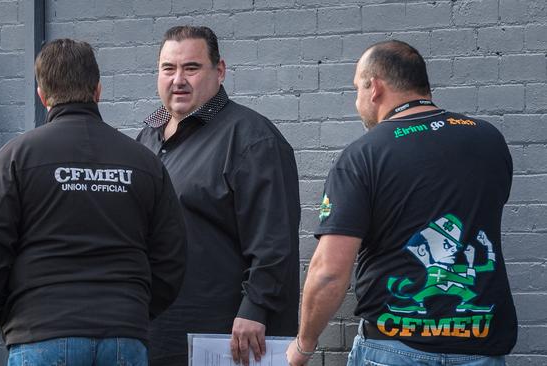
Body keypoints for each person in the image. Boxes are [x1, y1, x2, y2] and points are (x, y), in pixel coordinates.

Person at [286, 40, 517, 366]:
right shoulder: (488, 139)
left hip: (394, 348)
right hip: (481, 344)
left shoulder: (364, 155)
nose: (357, 101)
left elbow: (329, 272)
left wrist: (304, 345)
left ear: (375, 87)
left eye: (357, 89)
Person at [0, 38, 187, 366]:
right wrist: (133, 309)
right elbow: (172, 255)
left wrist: (8, 313)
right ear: (98, 89)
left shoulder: (15, 157)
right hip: (123, 336)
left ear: (42, 95)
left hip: (40, 331)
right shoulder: (145, 163)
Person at [137, 25, 301, 366]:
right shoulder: (147, 137)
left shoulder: (252, 139)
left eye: (191, 68)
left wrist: (255, 308)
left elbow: (275, 239)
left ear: (220, 71)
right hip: (156, 332)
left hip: (225, 336)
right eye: (168, 68)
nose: (178, 79)